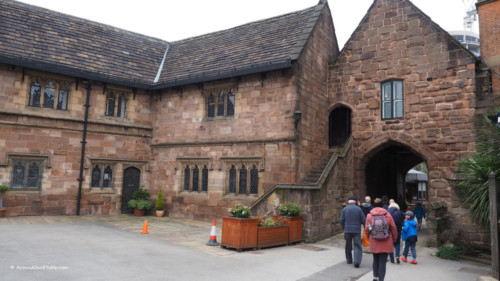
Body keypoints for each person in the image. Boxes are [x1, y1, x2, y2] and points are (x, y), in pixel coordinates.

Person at [364, 198, 397, 281]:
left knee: (375, 260)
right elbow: (393, 227)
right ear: (383, 205)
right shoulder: (387, 215)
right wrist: (394, 239)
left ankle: (375, 278)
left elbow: (367, 229)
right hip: (386, 241)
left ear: (374, 205)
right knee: (382, 261)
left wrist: (368, 238)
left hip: (374, 240)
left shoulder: (369, 215)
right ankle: (381, 279)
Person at [340, 196, 366, 268]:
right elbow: (364, 220)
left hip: (347, 230)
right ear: (355, 202)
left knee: (348, 245)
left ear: (348, 202)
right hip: (356, 230)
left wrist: (344, 226)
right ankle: (357, 261)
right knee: (357, 245)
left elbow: (341, 220)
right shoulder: (359, 209)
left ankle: (349, 260)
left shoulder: (345, 209)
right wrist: (365, 228)